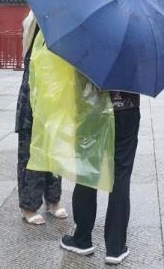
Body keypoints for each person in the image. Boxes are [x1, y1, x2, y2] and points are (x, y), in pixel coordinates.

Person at [61, 90, 140, 265]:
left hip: (92, 107)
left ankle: (82, 239)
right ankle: (115, 247)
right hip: (127, 108)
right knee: (121, 176)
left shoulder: (89, 59)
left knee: (87, 171)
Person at [15, 11, 67, 225]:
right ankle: (29, 205)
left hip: (56, 91)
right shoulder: (34, 18)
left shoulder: (63, 20)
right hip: (34, 92)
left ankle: (53, 200)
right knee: (30, 149)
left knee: (55, 148)